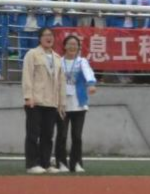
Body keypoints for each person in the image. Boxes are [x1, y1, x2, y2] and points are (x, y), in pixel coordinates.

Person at [22, 27, 66, 175]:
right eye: (46, 35)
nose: (49, 38)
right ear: (40, 38)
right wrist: (28, 96)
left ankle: (45, 163)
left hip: (51, 102)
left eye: (51, 35)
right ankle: (32, 164)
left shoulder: (57, 58)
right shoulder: (32, 54)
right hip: (36, 101)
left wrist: (61, 103)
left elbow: (61, 82)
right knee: (33, 134)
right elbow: (27, 75)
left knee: (48, 135)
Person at [55, 35, 97, 173]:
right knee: (62, 135)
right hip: (61, 103)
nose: (72, 47)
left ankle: (76, 163)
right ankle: (61, 162)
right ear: (64, 46)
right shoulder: (58, 61)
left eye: (75, 44)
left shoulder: (81, 61)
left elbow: (88, 73)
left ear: (79, 47)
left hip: (78, 103)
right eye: (70, 44)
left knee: (77, 136)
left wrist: (91, 84)